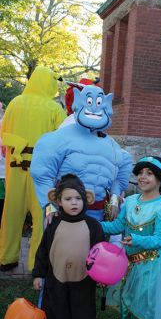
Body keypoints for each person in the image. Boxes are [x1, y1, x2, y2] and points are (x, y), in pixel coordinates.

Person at [101, 156, 161, 319]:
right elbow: (116, 226)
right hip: (129, 264)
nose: (143, 177)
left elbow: (160, 240)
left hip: (150, 265)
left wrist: (137, 240)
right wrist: (91, 224)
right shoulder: (131, 201)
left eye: (149, 174)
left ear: (160, 180)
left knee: (145, 305)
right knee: (127, 303)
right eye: (141, 173)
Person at [30, 82, 132, 223]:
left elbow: (119, 177)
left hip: (97, 218)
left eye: (99, 102)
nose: (94, 107)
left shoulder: (113, 147)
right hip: (63, 215)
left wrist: (114, 200)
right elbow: (42, 174)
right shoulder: (60, 138)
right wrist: (49, 207)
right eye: (90, 101)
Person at [32, 174, 104, 319]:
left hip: (84, 280)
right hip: (57, 278)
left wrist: (102, 276)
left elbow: (100, 254)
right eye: (68, 199)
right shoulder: (53, 225)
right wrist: (39, 274)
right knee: (55, 312)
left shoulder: (93, 226)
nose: (74, 203)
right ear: (59, 202)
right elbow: (43, 251)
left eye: (78, 198)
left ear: (85, 200)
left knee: (84, 315)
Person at [0, 67, 66, 271]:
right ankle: (35, 264)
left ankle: (6, 258)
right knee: (42, 217)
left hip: (16, 169)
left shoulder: (14, 103)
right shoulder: (54, 109)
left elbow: (4, 134)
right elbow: (63, 140)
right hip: (43, 174)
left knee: (11, 214)